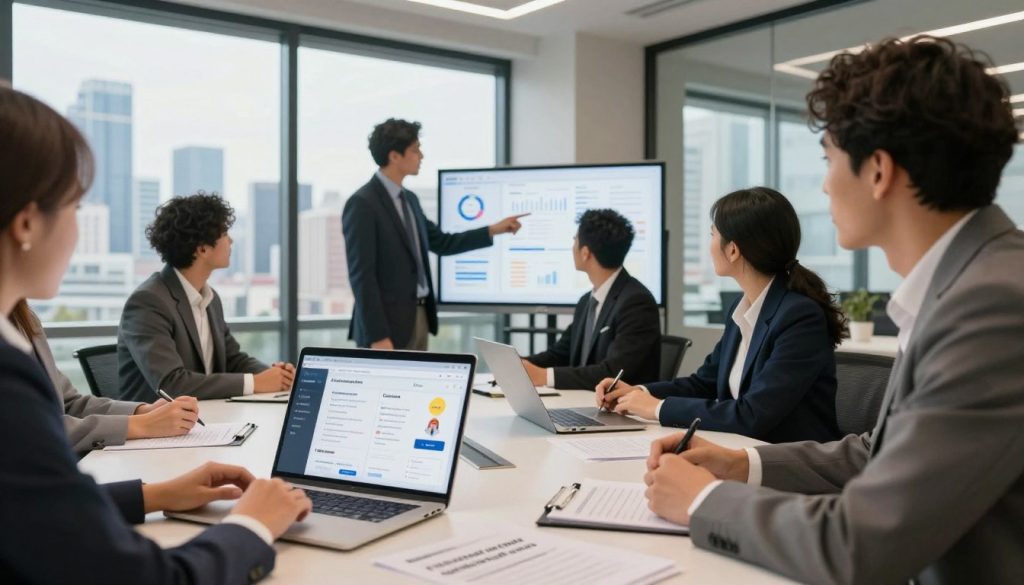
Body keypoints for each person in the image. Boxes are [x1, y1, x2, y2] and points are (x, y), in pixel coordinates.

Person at [643, 36, 1024, 584]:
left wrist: (705, 502)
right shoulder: (964, 284)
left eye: (828, 160)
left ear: (877, 171)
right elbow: (882, 453)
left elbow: (862, 544)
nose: (822, 184)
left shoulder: (993, 305)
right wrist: (741, 464)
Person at [0, 84, 311, 584]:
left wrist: (155, 494)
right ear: (27, 223)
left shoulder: (18, 327)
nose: (79, 232)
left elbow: (24, 504)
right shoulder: (8, 373)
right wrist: (254, 525)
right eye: (77, 209)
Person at [596, 188, 845, 443]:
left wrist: (656, 408)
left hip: (789, 465)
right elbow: (703, 383)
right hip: (741, 450)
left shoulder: (799, 317)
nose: (709, 244)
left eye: (713, 235)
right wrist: (638, 392)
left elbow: (752, 414)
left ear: (733, 250)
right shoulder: (743, 308)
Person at [343, 118, 527, 350]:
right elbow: (362, 277)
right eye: (415, 150)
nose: (421, 156)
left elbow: (442, 243)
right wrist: (378, 336)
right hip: (385, 329)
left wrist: (493, 230)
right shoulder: (363, 203)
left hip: (418, 317)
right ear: (394, 156)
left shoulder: (409, 200)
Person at [118, 193, 295, 401]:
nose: (231, 240)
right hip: (159, 429)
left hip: (208, 420)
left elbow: (233, 360)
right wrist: (257, 383)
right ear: (202, 248)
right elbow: (172, 384)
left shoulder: (210, 298)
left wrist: (277, 376)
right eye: (224, 233)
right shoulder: (148, 303)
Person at [9, 300, 201, 455]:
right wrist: (141, 425)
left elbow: (69, 403)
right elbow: (30, 429)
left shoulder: (23, 317)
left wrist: (142, 411)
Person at [522, 209, 661, 389]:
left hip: (620, 411)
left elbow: (612, 373)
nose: (572, 246)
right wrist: (519, 364)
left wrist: (544, 376)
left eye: (574, 240)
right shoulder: (587, 301)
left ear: (585, 253)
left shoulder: (636, 302)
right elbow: (560, 354)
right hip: (583, 403)